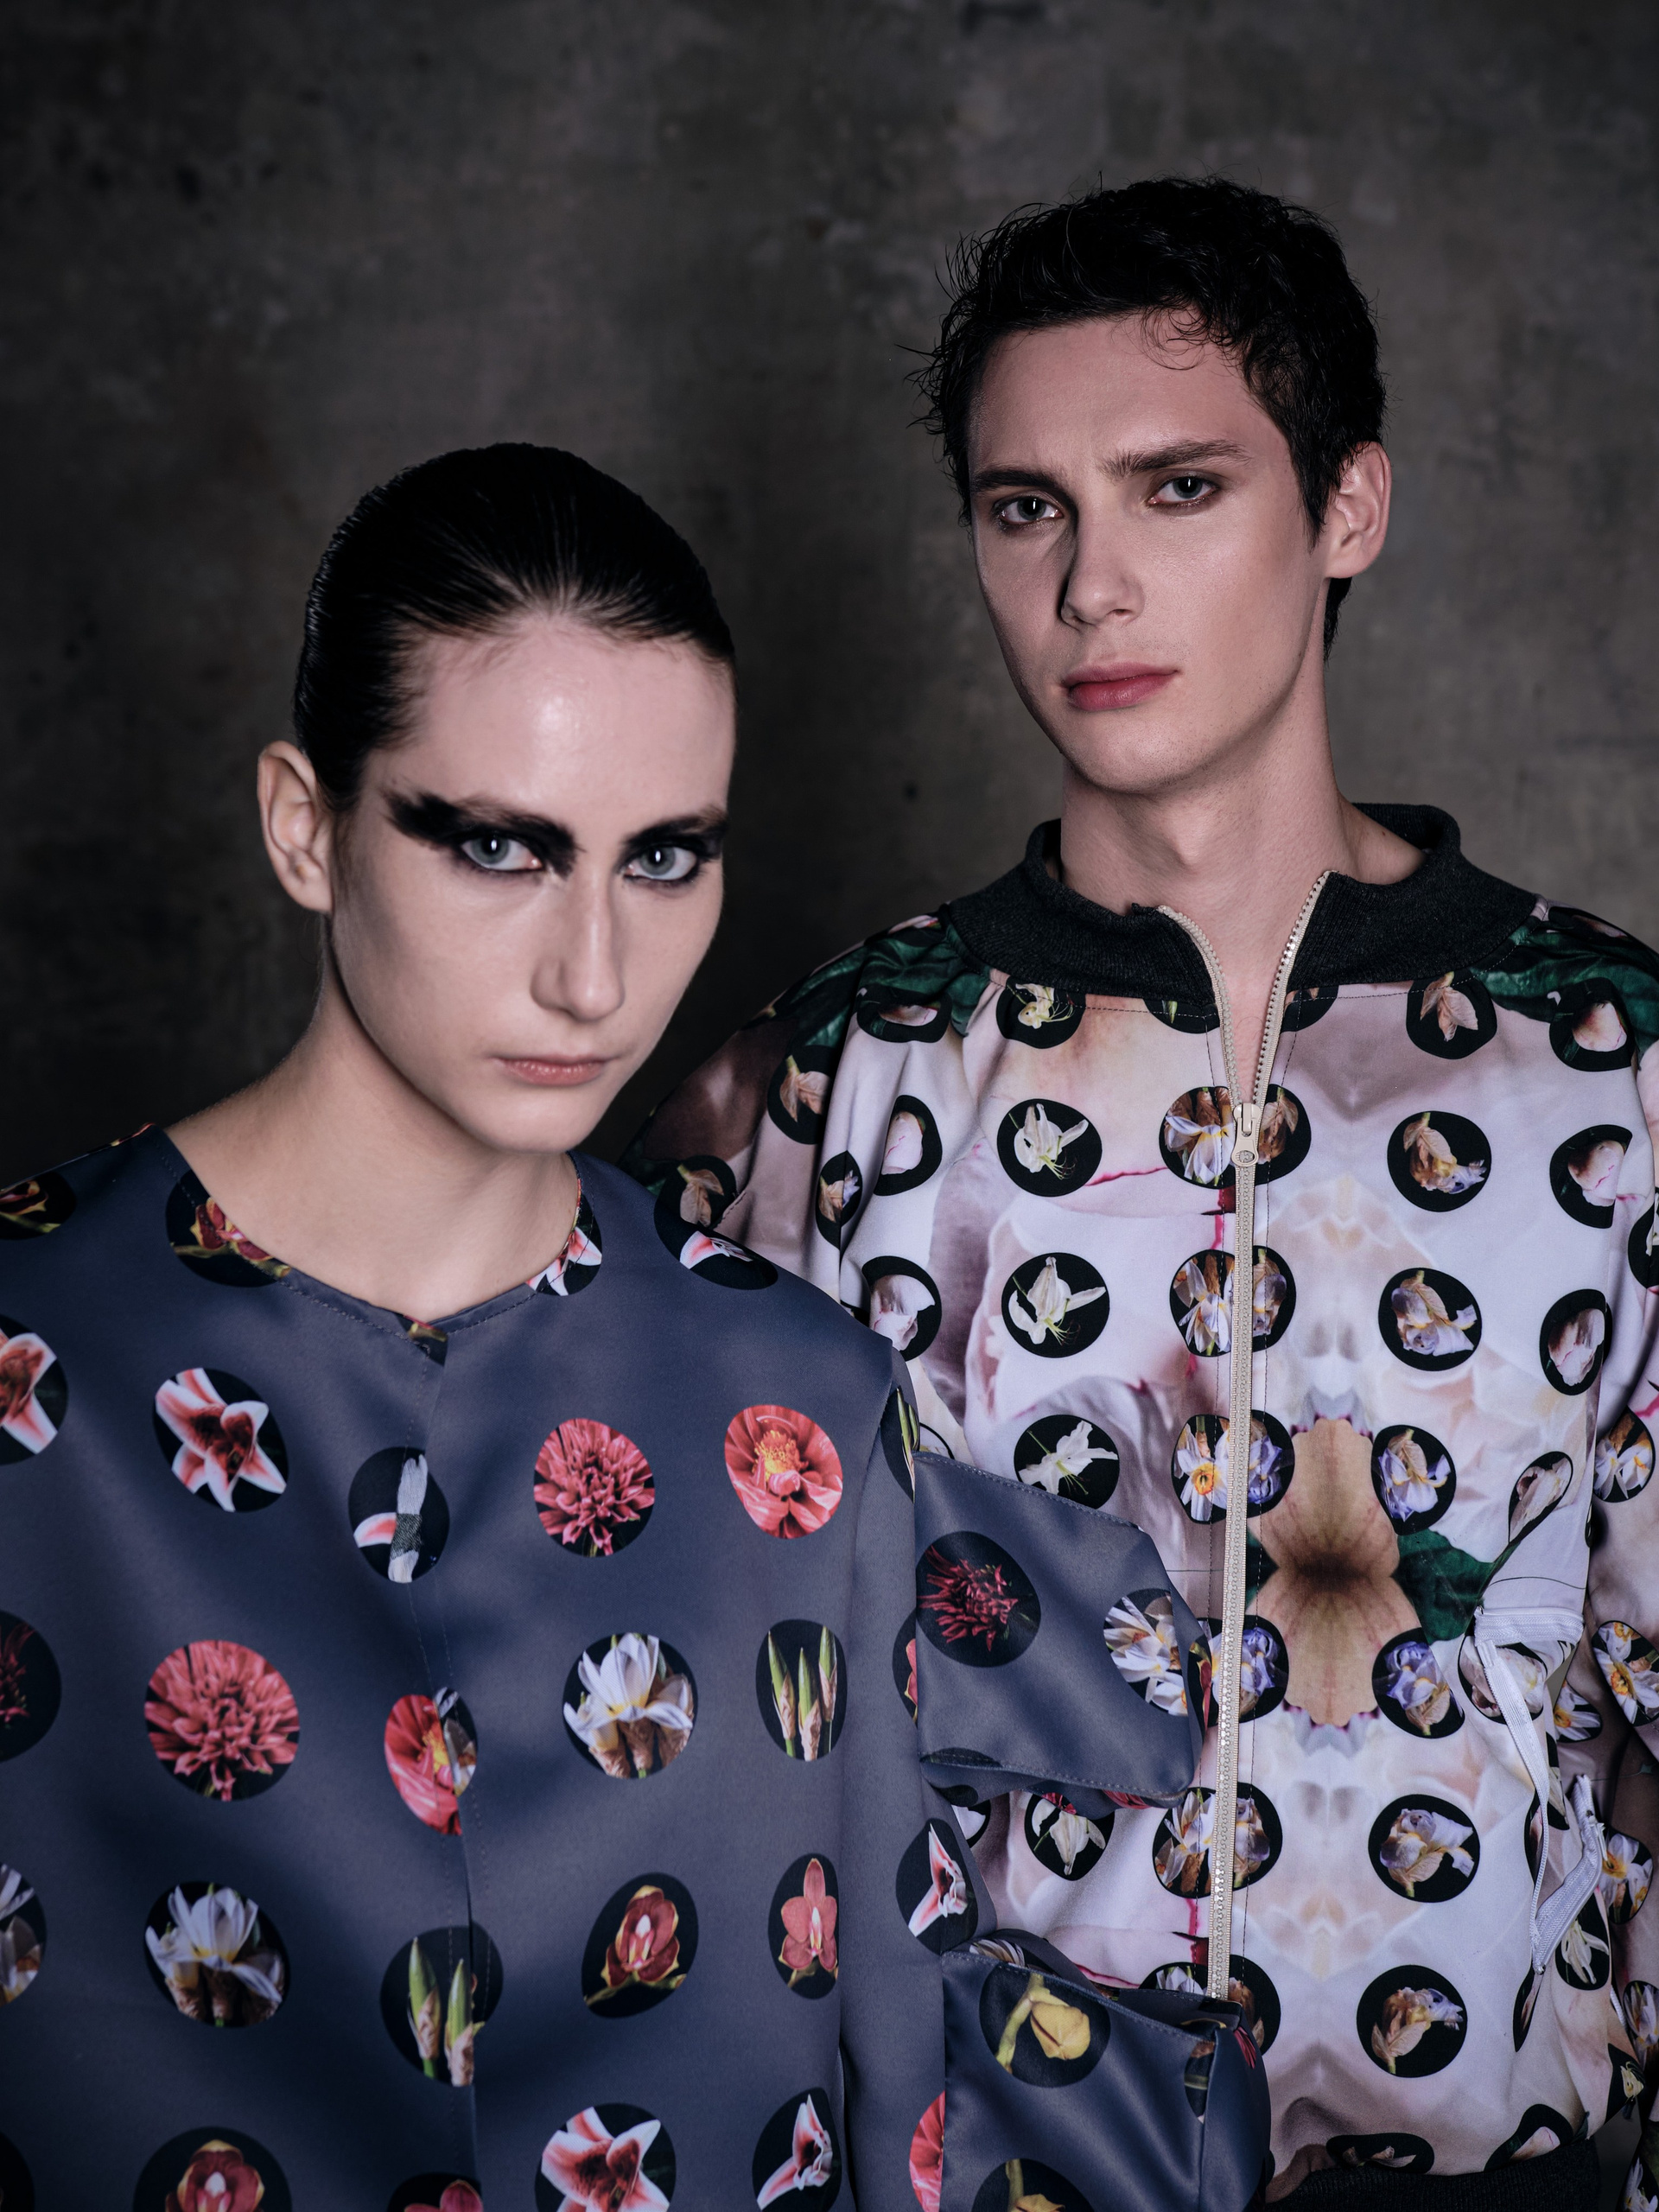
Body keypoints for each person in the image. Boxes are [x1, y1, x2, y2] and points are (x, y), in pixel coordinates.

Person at [625, 179, 1659, 2209]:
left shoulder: (1606, 1063)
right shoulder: (834, 1079)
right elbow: (688, 1746)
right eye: (1028, 508)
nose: (1093, 585)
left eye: (1178, 488)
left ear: (1347, 507)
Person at [0, 445, 963, 2209]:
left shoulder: (808, 1411)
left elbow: (901, 2076)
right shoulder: (23, 1363)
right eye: (502, 847)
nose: (593, 973)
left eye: (665, 857)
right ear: (305, 825)